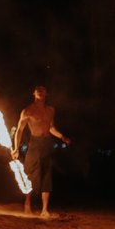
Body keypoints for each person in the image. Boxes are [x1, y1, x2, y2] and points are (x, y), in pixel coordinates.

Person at [11, 84, 68, 218]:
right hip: (35, 144)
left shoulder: (51, 110)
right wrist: (16, 148)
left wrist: (62, 136)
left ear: (46, 94)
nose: (40, 91)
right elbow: (19, 130)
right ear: (34, 93)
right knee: (30, 174)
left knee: (47, 175)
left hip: (47, 144)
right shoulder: (27, 111)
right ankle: (27, 204)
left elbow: (51, 127)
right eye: (38, 90)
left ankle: (44, 209)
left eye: (43, 90)